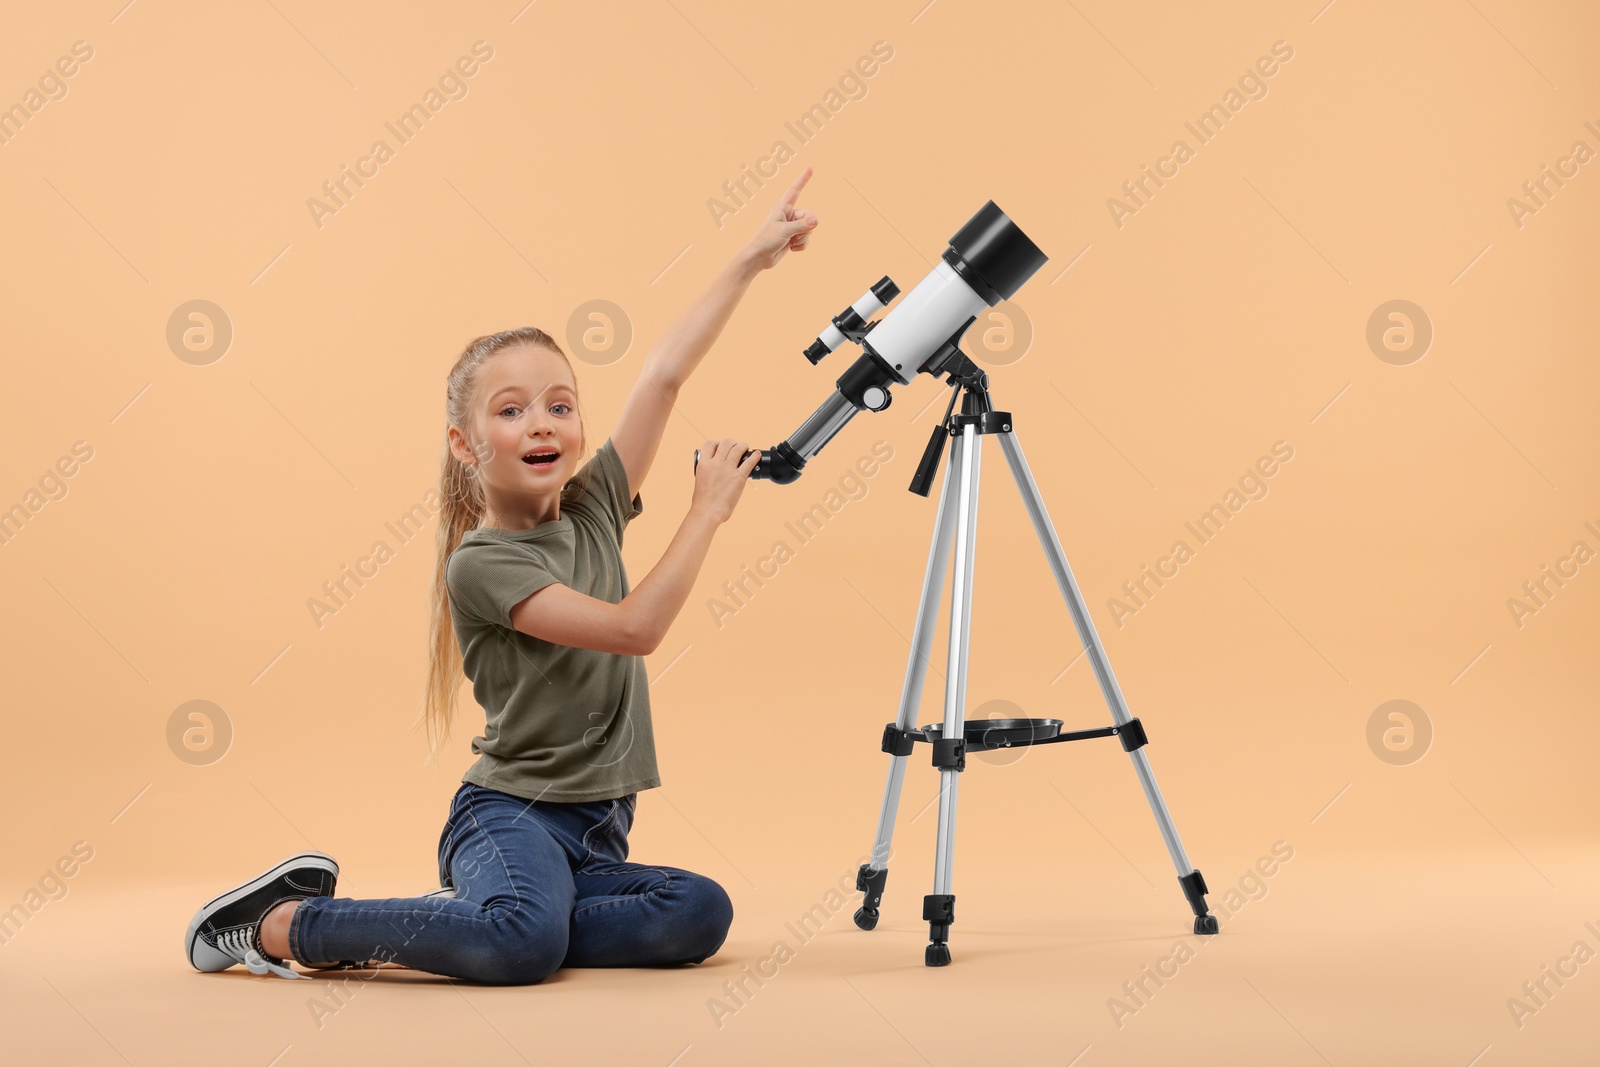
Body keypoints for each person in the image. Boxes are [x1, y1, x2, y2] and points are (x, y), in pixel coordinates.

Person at [184, 169, 821, 984]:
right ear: (465, 443)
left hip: (597, 833)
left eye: (560, 404)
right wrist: (706, 512)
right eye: (511, 409)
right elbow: (635, 629)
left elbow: (663, 373)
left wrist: (752, 258)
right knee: (523, 947)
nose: (543, 423)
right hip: (506, 818)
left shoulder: (593, 505)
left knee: (698, 911)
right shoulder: (481, 564)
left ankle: (473, 919)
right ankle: (277, 924)